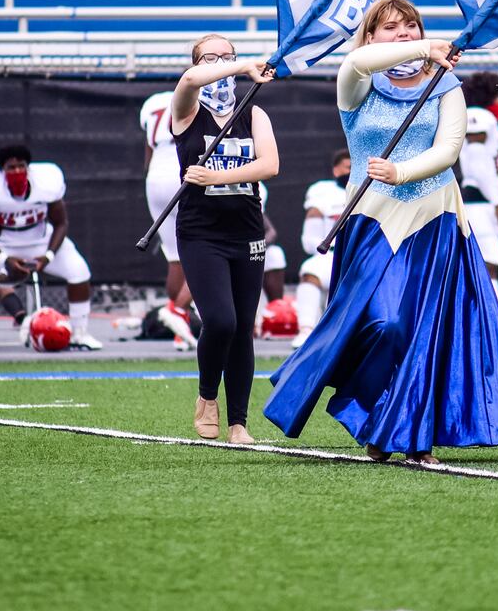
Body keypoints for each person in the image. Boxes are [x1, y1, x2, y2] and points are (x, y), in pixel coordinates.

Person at [266, 0, 498, 465]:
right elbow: (358, 59)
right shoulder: (356, 81)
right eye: (392, 27)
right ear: (373, 35)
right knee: (383, 325)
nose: (403, 33)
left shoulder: (446, 85)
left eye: (411, 25)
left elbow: (449, 150)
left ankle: (408, 437)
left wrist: (401, 171)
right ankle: (380, 417)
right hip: (372, 222)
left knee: (423, 332)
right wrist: (422, 47)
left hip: (434, 218)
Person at [169, 34, 279, 445]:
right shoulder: (186, 110)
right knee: (220, 320)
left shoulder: (255, 114)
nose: (220, 63)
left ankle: (238, 424)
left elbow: (269, 165)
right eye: (210, 57)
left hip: (246, 232)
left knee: (242, 329)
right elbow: (188, 81)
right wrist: (241, 64)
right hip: (201, 233)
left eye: (227, 55)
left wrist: (217, 177)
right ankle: (206, 396)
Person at [0, 145, 101, 350]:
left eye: (21, 166)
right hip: (2, 243)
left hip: (39, 241)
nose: (17, 171)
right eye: (11, 167)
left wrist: (49, 255)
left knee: (79, 270)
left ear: (29, 167)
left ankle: (79, 333)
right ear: (2, 171)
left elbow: (61, 223)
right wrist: (3, 259)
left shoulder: (47, 181)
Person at [460, 71, 498, 330]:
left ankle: (485, 321)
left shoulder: (479, 116)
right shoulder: (478, 116)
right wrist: (497, 203)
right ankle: (491, 323)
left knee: (483, 265)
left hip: (478, 203)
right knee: (488, 265)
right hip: (479, 203)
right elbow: (479, 160)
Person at [140, 88, 193, 319]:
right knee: (209, 249)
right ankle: (179, 311)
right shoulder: (201, 95)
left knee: (175, 257)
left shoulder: (153, 102)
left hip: (154, 179)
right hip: (183, 172)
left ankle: (177, 320)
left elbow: (147, 157)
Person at [294, 148, 350, 350]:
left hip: (361, 255)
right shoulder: (323, 193)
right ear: (336, 170)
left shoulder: (372, 188)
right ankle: (306, 330)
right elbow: (310, 241)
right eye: (348, 167)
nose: (352, 171)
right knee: (311, 272)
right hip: (331, 254)